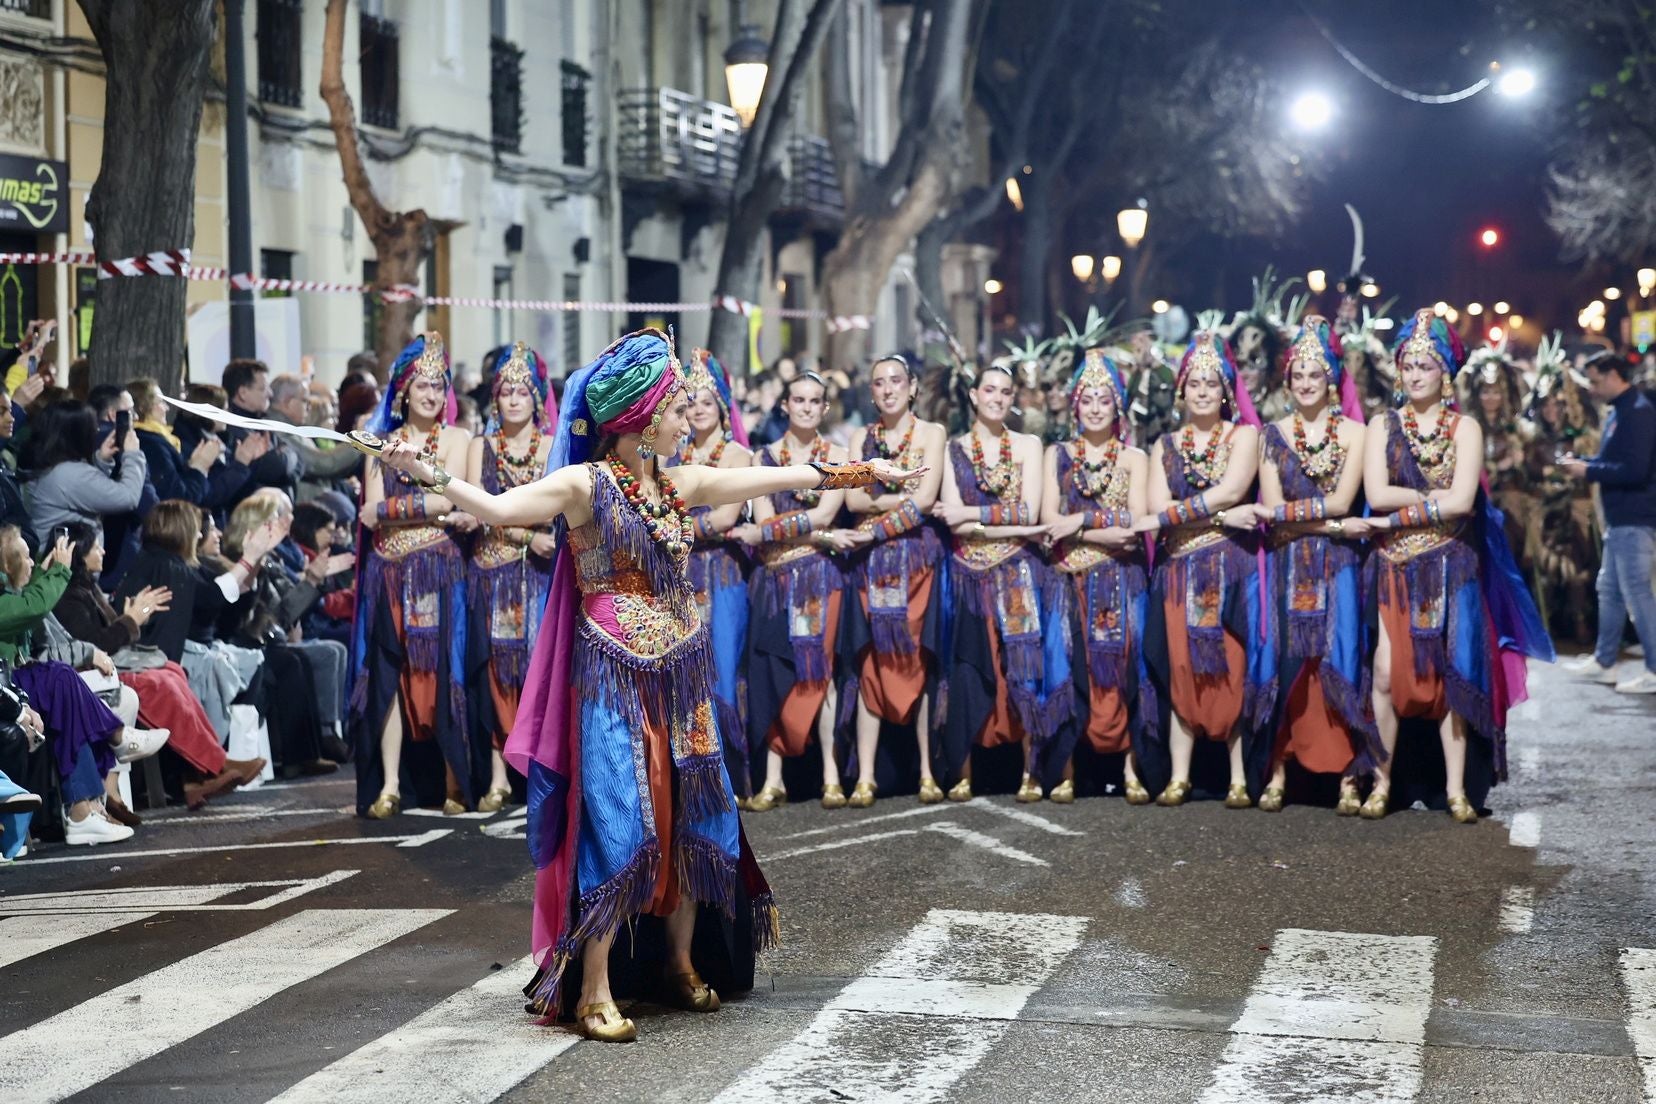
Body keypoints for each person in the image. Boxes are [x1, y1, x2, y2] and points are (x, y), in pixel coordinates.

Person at [377, 327, 915, 1042]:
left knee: (694, 813)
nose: (685, 414)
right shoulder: (585, 484)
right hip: (611, 676)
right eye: (673, 405)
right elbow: (503, 512)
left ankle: (681, 962)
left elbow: (770, 480)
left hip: (683, 671)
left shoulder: (678, 481)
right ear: (638, 417)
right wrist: (427, 474)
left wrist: (859, 473)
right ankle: (596, 986)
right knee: (618, 821)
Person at [1362, 309, 1552, 822]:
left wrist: (1418, 504)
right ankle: (1380, 783)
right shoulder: (1382, 425)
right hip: (1394, 565)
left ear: (1444, 371)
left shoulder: (1464, 427)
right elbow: (1376, 494)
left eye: (1426, 364)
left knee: (1452, 674)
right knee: (1385, 672)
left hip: (1452, 564)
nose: (1415, 374)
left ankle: (1456, 790)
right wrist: (1432, 495)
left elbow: (1465, 502)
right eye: (1408, 365)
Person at [1242, 316, 1383, 814]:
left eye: (1315, 375)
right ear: (1287, 380)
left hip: (1339, 566)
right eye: (1298, 375)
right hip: (1287, 564)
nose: (1305, 384)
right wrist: (1327, 524)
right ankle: (1278, 769)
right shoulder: (1271, 435)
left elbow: (1342, 501)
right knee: (1286, 664)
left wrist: (1316, 522)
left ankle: (1350, 775)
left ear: (1332, 379)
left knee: (1339, 660)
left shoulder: (1355, 434)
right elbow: (1275, 515)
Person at [1134, 332, 1269, 808]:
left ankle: (1237, 776)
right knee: (1182, 667)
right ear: (1181, 391)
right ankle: (1179, 775)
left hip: (1229, 569)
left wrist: (1180, 515)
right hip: (1178, 571)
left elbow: (1233, 491)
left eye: (1212, 383)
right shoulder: (1165, 444)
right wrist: (1214, 514)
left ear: (1227, 390)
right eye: (1194, 384)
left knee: (1231, 666)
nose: (1203, 392)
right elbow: (1153, 502)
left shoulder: (1245, 436)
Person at [353, 332, 480, 818]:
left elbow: (452, 499)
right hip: (386, 575)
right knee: (387, 674)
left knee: (442, 671)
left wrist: (398, 508)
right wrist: (422, 508)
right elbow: (367, 511)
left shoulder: (457, 439)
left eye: (440, 385)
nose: (432, 393)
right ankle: (388, 785)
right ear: (403, 390)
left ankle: (453, 780)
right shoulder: (377, 440)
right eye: (422, 385)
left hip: (439, 571)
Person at [54, 521, 265, 807]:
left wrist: (128, 618)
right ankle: (214, 765)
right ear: (79, 553)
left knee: (173, 671)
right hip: (91, 676)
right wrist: (132, 620)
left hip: (110, 667)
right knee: (159, 683)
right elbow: (94, 645)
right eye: (95, 546)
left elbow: (107, 634)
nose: (103, 551)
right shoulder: (68, 596)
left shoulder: (87, 587)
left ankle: (196, 775)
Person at [932, 363, 1056, 801]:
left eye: (1006, 392)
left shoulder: (1029, 445)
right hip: (967, 574)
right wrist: (992, 523)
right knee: (966, 668)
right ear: (973, 395)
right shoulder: (951, 450)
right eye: (990, 390)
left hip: (1018, 571)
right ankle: (963, 771)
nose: (998, 398)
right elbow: (956, 525)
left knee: (1024, 665)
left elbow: (1031, 513)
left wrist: (972, 514)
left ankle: (1032, 771)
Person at [735, 372, 855, 811]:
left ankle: (830, 775)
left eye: (815, 401)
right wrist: (815, 534)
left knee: (819, 674)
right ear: (785, 405)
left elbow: (820, 514)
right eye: (798, 400)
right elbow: (767, 523)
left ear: (825, 408)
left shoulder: (840, 455)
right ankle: (772, 780)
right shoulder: (763, 458)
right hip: (773, 581)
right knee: (772, 674)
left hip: (818, 581)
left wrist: (796, 532)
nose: (806, 407)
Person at [1040, 349, 1152, 803]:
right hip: (1068, 581)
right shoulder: (1057, 454)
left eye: (1104, 399)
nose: (1095, 407)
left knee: (1122, 670)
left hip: (1120, 581)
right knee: (1068, 668)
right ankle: (1067, 769)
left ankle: (1131, 770)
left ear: (1118, 405)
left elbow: (1136, 525)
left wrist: (1081, 524)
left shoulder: (1134, 458)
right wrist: (1104, 526)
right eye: (1087, 399)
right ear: (1074, 404)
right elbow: (1050, 520)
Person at [841, 353, 948, 806]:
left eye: (896, 381)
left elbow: (925, 499)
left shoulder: (932, 433)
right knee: (872, 660)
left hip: (916, 561)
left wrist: (879, 508)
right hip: (872, 566)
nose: (888, 389)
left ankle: (927, 771)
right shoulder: (858, 437)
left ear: (913, 387)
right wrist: (899, 499)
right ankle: (866, 775)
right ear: (871, 392)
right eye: (879, 383)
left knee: (916, 658)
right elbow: (852, 498)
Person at [465, 341, 557, 813]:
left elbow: (558, 508)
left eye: (523, 391)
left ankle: (538, 775)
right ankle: (498, 775)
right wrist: (524, 537)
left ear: (538, 398)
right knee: (498, 674)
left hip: (540, 578)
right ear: (494, 398)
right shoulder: (480, 447)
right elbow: (475, 510)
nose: (515, 399)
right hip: (492, 574)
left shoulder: (550, 448)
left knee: (537, 676)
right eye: (506, 392)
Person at [0, 527, 134, 845]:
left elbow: (28, 600)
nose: (33, 563)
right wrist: (59, 570)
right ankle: (87, 800)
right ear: (6, 565)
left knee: (68, 703)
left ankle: (86, 808)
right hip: (8, 688)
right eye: (27, 557)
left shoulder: (12, 594)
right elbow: (31, 606)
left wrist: (43, 575)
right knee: (61, 678)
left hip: (13, 688)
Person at [673, 349, 754, 802]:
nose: (699, 409)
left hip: (721, 575)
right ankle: (691, 779)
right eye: (691, 401)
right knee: (684, 674)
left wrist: (674, 526)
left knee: (721, 669)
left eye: (707, 400)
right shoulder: (672, 454)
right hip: (681, 574)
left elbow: (724, 519)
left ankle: (729, 778)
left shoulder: (738, 455)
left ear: (723, 405)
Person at [1562, 349, 1656, 693]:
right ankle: (1605, 662)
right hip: (1620, 518)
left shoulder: (1638, 412)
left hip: (1635, 518)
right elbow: (1614, 459)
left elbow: (1635, 470)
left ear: (1615, 376)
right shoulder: (1622, 410)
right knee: (1610, 590)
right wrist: (1585, 461)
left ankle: (1654, 669)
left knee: (1637, 593)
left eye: (1596, 380)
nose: (1591, 387)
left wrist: (1587, 469)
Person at [1522, 334, 1600, 646]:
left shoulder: (1583, 437)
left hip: (1577, 510)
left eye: (1558, 404)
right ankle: (1549, 627)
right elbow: (1528, 473)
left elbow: (1590, 469)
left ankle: (1582, 625)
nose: (1552, 410)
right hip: (1544, 512)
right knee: (1545, 569)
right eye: (1547, 405)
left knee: (1579, 568)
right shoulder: (1531, 438)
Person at [21, 400, 148, 544]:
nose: (96, 432)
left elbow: (82, 493)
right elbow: (127, 497)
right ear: (77, 434)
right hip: (67, 564)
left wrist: (101, 460)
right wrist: (132, 455)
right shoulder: (69, 475)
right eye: (92, 428)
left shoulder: (47, 466)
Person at [268, 373, 362, 505]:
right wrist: (361, 441)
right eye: (305, 400)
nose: (309, 406)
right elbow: (322, 463)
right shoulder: (279, 430)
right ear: (287, 402)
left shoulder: (291, 428)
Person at [222, 359, 302, 504]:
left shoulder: (264, 424)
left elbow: (299, 462)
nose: (270, 394)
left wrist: (284, 463)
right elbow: (271, 468)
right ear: (243, 393)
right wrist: (284, 462)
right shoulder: (231, 431)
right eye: (263, 388)